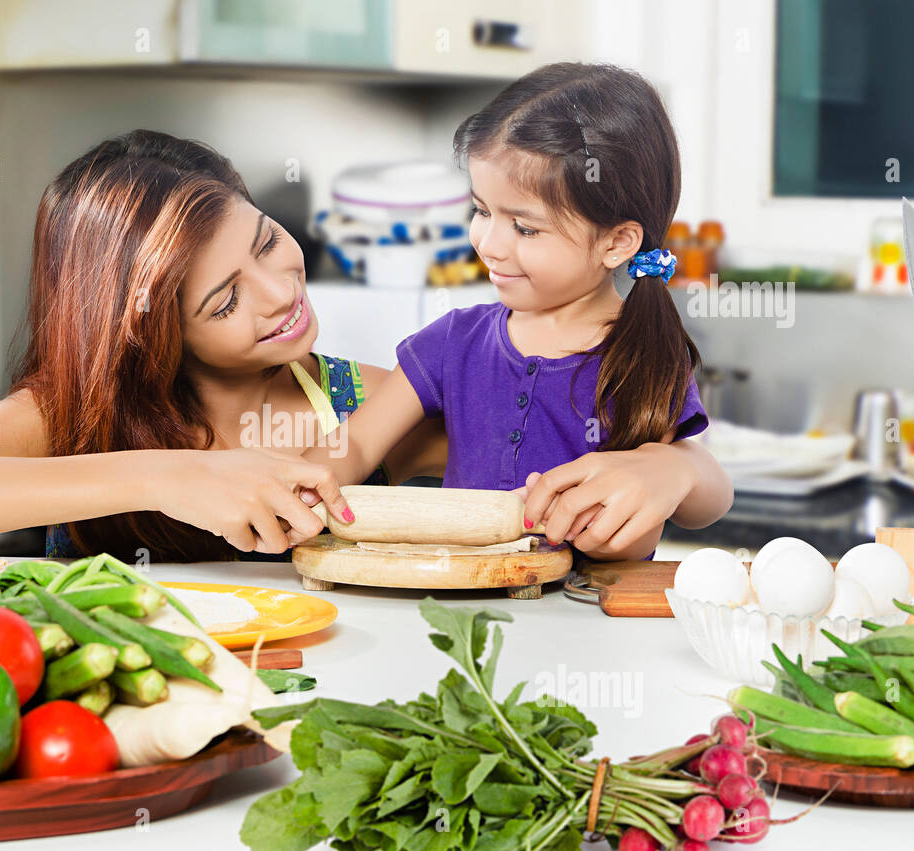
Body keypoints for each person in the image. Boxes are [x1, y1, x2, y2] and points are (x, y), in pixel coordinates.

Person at [0, 131, 441, 562]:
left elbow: (524, 450)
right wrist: (166, 477)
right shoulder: (68, 419)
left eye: (267, 243)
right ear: (151, 331)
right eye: (224, 302)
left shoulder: (376, 401)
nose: (279, 291)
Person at [300, 63, 732, 560]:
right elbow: (355, 446)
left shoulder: (640, 353)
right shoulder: (453, 342)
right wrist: (308, 490)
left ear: (616, 242)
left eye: (524, 228)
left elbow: (702, 505)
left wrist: (673, 468)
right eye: (482, 211)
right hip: (462, 604)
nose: (487, 243)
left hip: (588, 622)